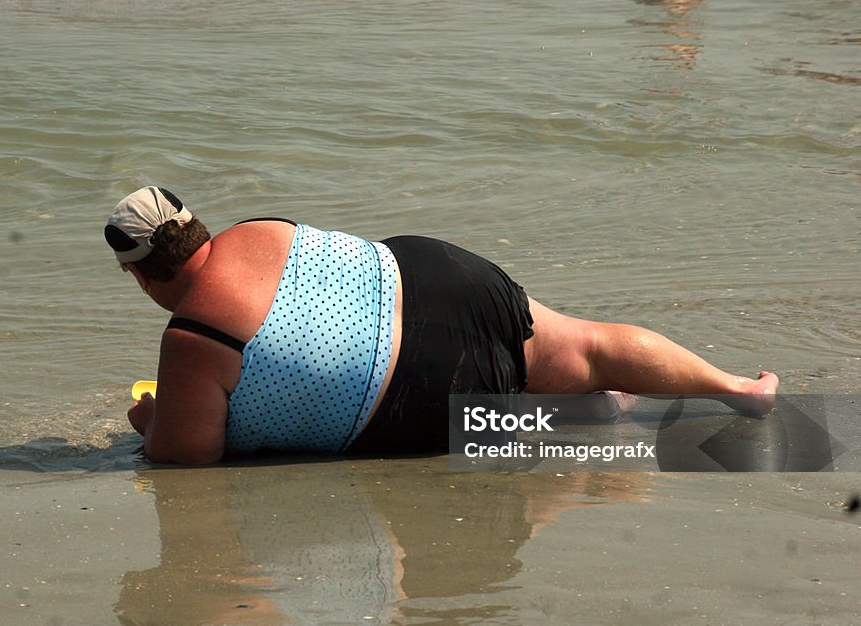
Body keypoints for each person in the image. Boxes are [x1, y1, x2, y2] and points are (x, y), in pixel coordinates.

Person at [105, 186, 779, 464]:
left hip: (413, 383)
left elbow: (186, 461)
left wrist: (151, 421)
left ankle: (590, 419)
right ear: (195, 225)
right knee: (590, 343)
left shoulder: (190, 341)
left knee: (492, 419)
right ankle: (738, 388)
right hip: (429, 271)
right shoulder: (255, 231)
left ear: (139, 275)